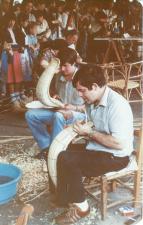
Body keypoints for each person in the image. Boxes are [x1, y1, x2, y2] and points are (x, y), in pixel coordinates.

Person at [54, 65, 134, 224]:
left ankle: (82, 208)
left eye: (82, 90)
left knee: (68, 159)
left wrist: (89, 133)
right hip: (99, 148)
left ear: (95, 86)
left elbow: (119, 144)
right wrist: (75, 122)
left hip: (116, 156)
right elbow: (92, 122)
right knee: (62, 151)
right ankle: (65, 198)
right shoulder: (93, 100)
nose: (79, 94)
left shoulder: (118, 106)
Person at [25, 48, 85, 159]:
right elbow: (57, 94)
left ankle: (55, 152)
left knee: (58, 116)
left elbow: (91, 107)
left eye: (65, 65)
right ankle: (46, 147)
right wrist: (55, 98)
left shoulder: (83, 78)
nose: (62, 69)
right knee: (30, 115)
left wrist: (74, 108)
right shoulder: (59, 76)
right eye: (61, 65)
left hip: (79, 115)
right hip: (61, 110)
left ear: (74, 64)